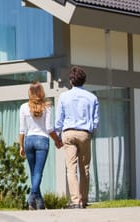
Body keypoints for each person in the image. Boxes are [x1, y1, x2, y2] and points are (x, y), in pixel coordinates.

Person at [55, 66, 99, 209]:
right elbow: (96, 120)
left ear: (71, 81)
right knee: (84, 168)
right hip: (84, 133)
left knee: (71, 168)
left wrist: (57, 135)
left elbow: (59, 119)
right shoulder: (92, 97)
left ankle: (75, 201)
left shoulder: (63, 96)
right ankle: (84, 200)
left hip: (68, 133)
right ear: (84, 80)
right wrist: (91, 132)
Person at [19, 81, 62, 210]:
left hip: (29, 141)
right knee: (38, 172)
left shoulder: (23, 107)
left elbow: (22, 130)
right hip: (42, 141)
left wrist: (21, 146)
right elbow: (49, 128)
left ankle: (39, 202)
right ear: (42, 93)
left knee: (34, 173)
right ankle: (32, 196)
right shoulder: (46, 107)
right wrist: (57, 140)